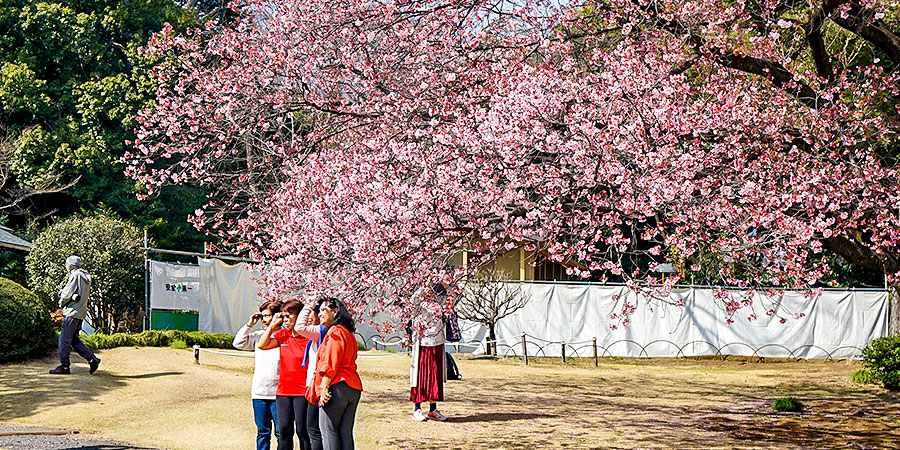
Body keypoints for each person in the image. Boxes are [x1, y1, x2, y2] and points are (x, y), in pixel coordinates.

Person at [259, 299, 311, 450]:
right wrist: (272, 326)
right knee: (284, 431)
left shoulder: (309, 336)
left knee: (303, 431)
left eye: (289, 316)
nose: (286, 320)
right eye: (284, 316)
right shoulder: (283, 335)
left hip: (303, 392)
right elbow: (262, 344)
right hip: (283, 392)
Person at [314, 297, 362, 450]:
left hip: (337, 385)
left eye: (323, 310)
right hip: (353, 387)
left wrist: (324, 387)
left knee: (328, 431)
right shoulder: (348, 333)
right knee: (345, 433)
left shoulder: (335, 332)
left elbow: (331, 362)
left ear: (335, 312)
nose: (319, 314)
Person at [233, 301, 282, 450]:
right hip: (260, 392)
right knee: (263, 432)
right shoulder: (258, 336)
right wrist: (249, 325)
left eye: (267, 316)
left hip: (279, 394)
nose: (264, 319)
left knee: (282, 433)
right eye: (262, 316)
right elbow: (238, 343)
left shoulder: (285, 336)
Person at [50, 256, 100, 375]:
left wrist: (61, 301)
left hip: (72, 313)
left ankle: (64, 367)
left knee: (64, 340)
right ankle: (92, 359)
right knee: (74, 340)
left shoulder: (75, 275)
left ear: (70, 266)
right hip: (80, 313)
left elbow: (67, 293)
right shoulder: (85, 277)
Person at [294, 299, 329, 450]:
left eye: (317, 312)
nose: (310, 316)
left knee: (314, 430)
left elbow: (299, 326)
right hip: (313, 386)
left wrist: (309, 304)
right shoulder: (321, 333)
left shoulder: (321, 330)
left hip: (317, 387)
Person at [409, 295, 447, 421]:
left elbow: (450, 303)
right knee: (421, 375)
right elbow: (413, 301)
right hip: (422, 338)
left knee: (435, 375)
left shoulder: (442, 290)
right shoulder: (419, 290)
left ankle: (433, 409)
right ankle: (417, 408)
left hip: (437, 337)